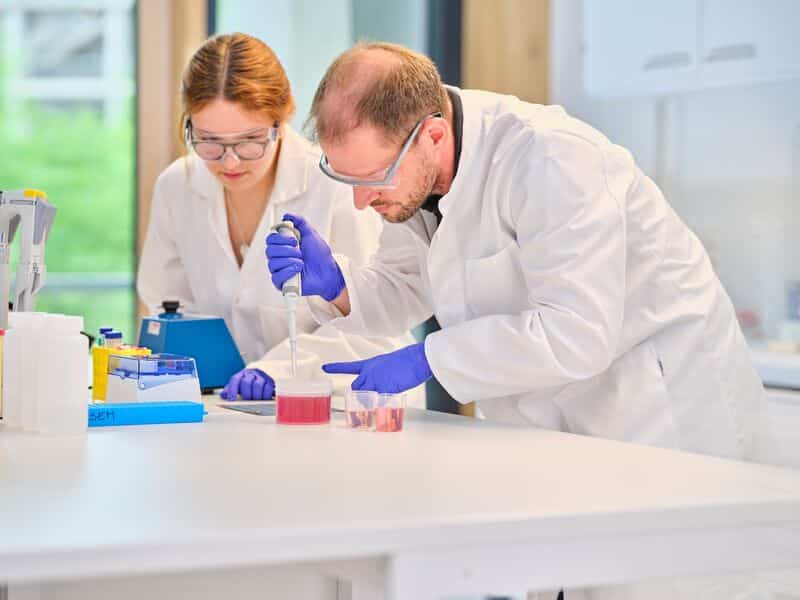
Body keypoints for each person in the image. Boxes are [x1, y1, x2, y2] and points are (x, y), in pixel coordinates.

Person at [266, 42, 766, 461]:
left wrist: (431, 358)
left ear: (432, 136)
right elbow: (408, 284)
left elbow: (576, 334)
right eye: (346, 178)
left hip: (659, 415)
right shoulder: (414, 176)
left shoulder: (552, 158)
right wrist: (339, 287)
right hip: (552, 430)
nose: (361, 201)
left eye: (373, 178)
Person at [138, 34, 422, 406]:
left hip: (344, 405)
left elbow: (377, 320)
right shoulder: (178, 186)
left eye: (250, 141)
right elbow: (169, 310)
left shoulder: (335, 183)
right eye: (209, 141)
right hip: (230, 407)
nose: (230, 161)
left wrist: (277, 370)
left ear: (281, 119)